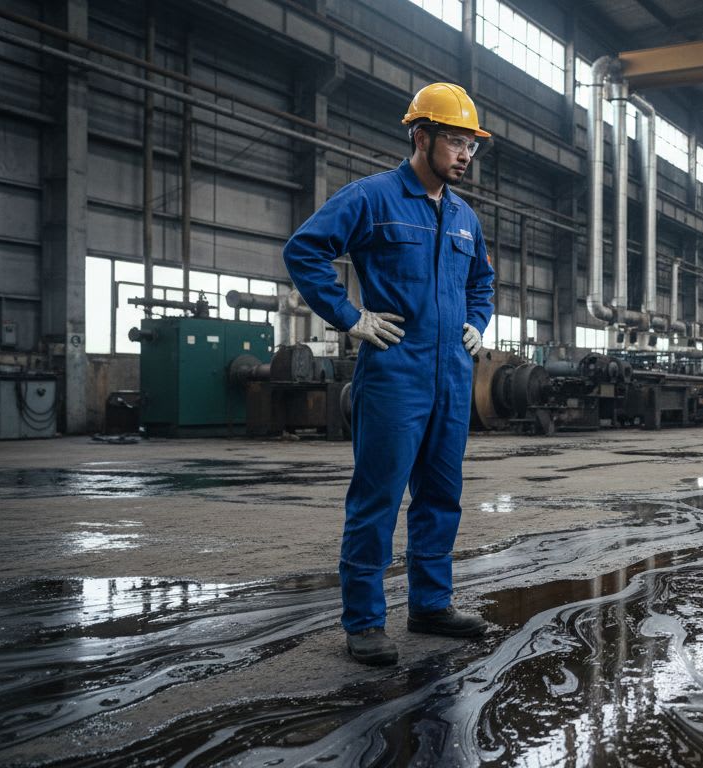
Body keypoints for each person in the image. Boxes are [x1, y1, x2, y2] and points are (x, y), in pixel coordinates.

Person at [283, 82, 495, 665]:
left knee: (441, 497)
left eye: (471, 146)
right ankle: (364, 622)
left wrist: (479, 320)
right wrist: (349, 318)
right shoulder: (372, 198)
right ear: (420, 137)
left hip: (451, 376)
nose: (464, 156)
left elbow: (482, 281)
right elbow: (304, 250)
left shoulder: (463, 217)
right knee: (377, 498)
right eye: (455, 142)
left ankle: (430, 604)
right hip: (394, 374)